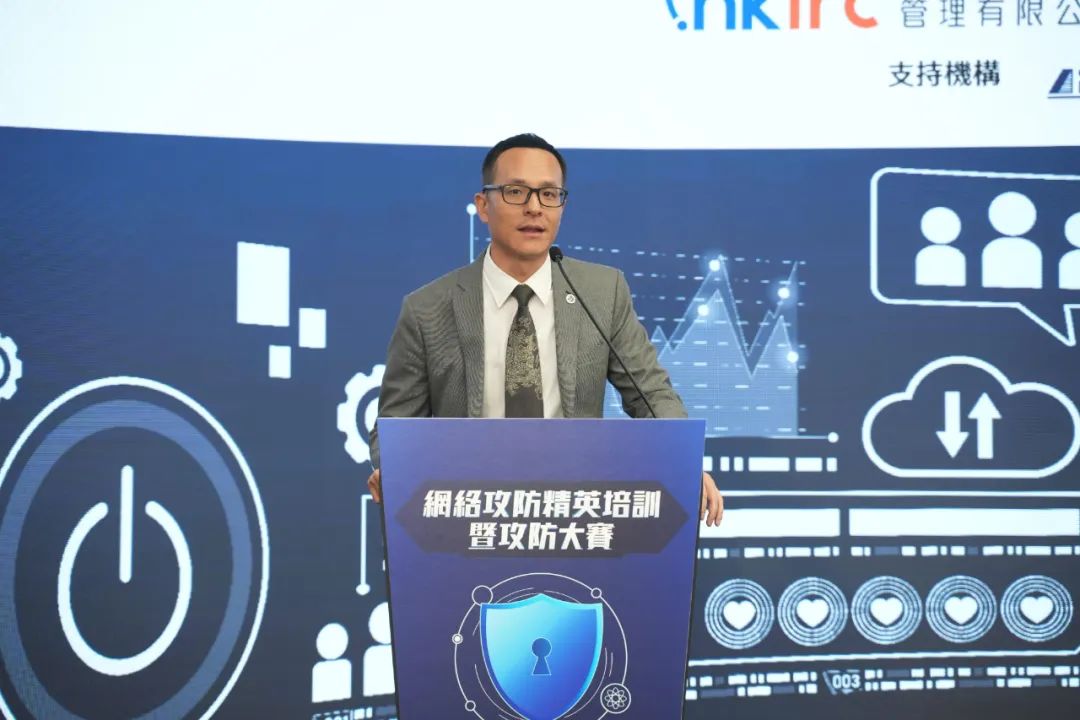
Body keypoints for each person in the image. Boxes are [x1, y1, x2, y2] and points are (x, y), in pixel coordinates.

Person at [366, 133, 723, 526]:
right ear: (483, 205)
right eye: (516, 192)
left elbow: (651, 394)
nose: (534, 207)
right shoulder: (428, 308)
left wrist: (684, 461)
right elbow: (394, 426)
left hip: (572, 513)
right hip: (468, 516)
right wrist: (393, 467)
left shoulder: (602, 293)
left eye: (549, 194)